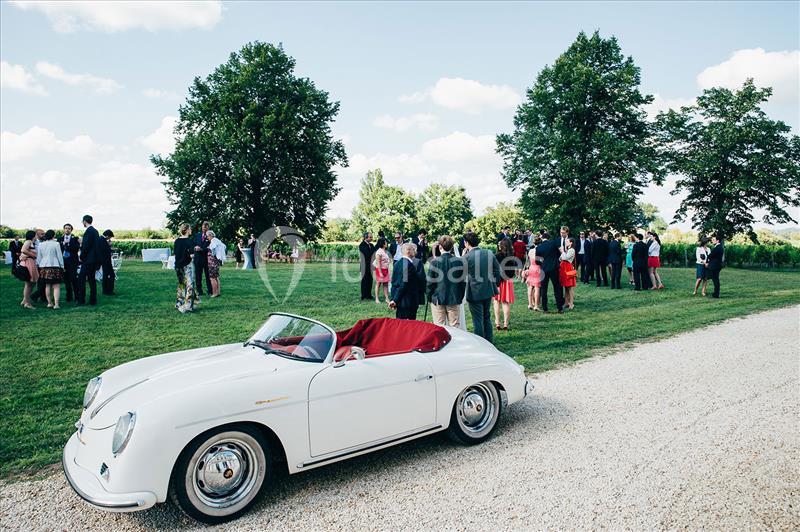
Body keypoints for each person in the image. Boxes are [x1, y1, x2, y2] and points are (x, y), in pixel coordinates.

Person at [463, 232, 501, 341]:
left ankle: (481, 344)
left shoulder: (466, 257)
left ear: (466, 243)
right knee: (486, 317)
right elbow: (497, 270)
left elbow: (460, 274)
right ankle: (489, 341)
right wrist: (496, 283)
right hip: (488, 289)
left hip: (474, 291)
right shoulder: (488, 253)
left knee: (477, 320)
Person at [426, 235, 466, 327]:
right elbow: (462, 283)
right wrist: (460, 296)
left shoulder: (435, 262)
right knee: (455, 326)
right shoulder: (459, 262)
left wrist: (429, 297)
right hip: (453, 297)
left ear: (440, 247)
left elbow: (430, 283)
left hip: (438, 298)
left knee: (440, 326)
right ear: (452, 247)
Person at [389, 243, 425, 320]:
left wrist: (394, 299)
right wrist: (395, 300)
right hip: (408, 301)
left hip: (400, 300)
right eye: (413, 249)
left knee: (400, 324)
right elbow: (403, 284)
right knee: (409, 326)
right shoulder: (408, 265)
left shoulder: (397, 263)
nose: (415, 251)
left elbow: (394, 283)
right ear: (408, 251)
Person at [536, 232, 565, 313]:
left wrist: (543, 263)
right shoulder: (553, 243)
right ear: (549, 238)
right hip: (554, 268)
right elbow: (558, 254)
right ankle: (560, 308)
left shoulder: (539, 247)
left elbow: (537, 261)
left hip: (544, 269)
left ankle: (545, 308)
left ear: (542, 238)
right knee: (557, 287)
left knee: (544, 289)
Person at [76, 215, 100, 306]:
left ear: (85, 221)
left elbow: (86, 246)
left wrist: (81, 256)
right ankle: (93, 300)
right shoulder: (95, 231)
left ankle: (81, 300)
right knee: (91, 280)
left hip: (88, 260)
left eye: (82, 222)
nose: (82, 223)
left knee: (81, 279)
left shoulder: (88, 231)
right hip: (94, 259)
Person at [37, 230, 64, 309]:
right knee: (56, 286)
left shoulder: (41, 244)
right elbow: (59, 256)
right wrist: (62, 266)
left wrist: (40, 265)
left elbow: (39, 257)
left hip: (44, 266)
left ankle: (49, 303)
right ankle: (56, 304)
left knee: (47, 286)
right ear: (53, 236)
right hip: (54, 265)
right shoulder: (56, 244)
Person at [493, 238, 516, 330]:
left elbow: (494, 269)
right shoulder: (511, 256)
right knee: (505, 303)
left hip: (498, 281)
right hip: (507, 280)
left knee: (496, 302)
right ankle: (506, 324)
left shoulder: (497, 256)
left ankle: (497, 323)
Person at [174, 223, 197, 313]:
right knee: (190, 285)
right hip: (187, 265)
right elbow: (191, 255)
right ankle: (188, 305)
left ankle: (179, 303)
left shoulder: (176, 241)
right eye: (190, 228)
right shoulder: (189, 241)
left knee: (181, 284)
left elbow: (176, 254)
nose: (191, 230)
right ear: (187, 230)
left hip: (178, 266)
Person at [58, 224, 80, 301]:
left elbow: (76, 248)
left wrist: (67, 244)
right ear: (63, 229)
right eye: (66, 228)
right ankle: (69, 297)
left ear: (71, 230)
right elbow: (58, 250)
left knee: (74, 279)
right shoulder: (60, 239)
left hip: (72, 261)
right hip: (63, 262)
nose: (67, 230)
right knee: (66, 280)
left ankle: (77, 296)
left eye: (69, 228)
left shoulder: (75, 238)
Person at [17, 230, 39, 309]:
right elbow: (23, 250)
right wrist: (32, 255)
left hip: (31, 263)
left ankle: (25, 300)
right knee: (28, 284)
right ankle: (27, 303)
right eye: (36, 235)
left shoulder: (32, 243)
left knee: (32, 283)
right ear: (33, 236)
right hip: (28, 263)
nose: (37, 237)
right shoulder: (28, 242)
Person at [523, 236, 543, 311]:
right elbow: (541, 260)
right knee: (537, 287)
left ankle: (530, 304)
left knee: (530, 287)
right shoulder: (540, 250)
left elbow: (527, 260)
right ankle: (536, 305)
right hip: (537, 268)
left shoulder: (531, 250)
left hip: (531, 267)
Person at [193, 221, 212, 296]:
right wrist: (195, 247)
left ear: (208, 228)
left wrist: (202, 249)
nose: (204, 228)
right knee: (198, 275)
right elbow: (193, 244)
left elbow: (211, 248)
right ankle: (199, 291)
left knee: (208, 275)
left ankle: (210, 290)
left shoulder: (210, 236)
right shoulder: (197, 235)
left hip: (206, 258)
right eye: (203, 227)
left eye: (206, 227)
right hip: (197, 258)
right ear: (202, 227)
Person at [559, 237, 577, 309]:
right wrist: (563, 252)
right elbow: (560, 258)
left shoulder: (572, 250)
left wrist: (562, 251)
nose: (565, 242)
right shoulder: (567, 250)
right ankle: (566, 302)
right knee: (566, 286)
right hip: (564, 268)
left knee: (570, 287)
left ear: (571, 243)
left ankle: (571, 303)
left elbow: (565, 258)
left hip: (568, 268)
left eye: (567, 241)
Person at [207, 230, 226, 297]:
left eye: (208, 236)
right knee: (216, 277)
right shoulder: (217, 240)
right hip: (216, 262)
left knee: (212, 278)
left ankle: (214, 293)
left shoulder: (213, 241)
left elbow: (213, 249)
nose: (207, 238)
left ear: (211, 235)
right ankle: (218, 292)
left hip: (212, 262)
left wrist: (211, 252)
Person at [372, 238, 391, 303]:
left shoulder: (385, 251)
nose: (387, 244)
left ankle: (387, 298)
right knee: (378, 283)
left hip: (386, 269)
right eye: (386, 242)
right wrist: (380, 273)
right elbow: (378, 263)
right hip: (380, 270)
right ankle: (377, 299)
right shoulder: (379, 252)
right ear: (382, 243)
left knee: (386, 284)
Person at [358, 232, 375, 300]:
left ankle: (369, 295)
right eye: (370, 237)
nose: (371, 238)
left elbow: (374, 252)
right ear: (366, 237)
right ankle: (364, 295)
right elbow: (367, 254)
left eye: (371, 237)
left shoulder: (371, 245)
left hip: (370, 265)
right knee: (364, 280)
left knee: (370, 280)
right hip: (364, 266)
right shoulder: (362, 245)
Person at [98, 230, 115, 296]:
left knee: (107, 275)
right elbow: (104, 250)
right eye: (110, 237)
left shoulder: (101, 239)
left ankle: (107, 290)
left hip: (105, 260)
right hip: (105, 261)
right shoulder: (102, 239)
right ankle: (108, 290)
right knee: (110, 275)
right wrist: (109, 246)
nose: (109, 239)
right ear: (107, 235)